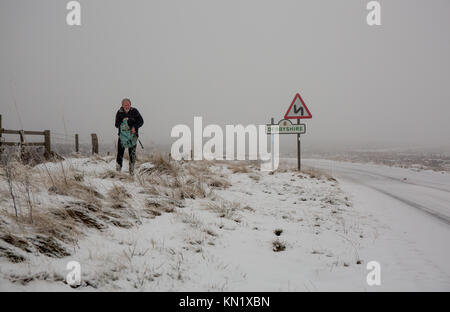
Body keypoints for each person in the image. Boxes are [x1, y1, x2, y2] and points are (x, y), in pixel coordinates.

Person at [115, 98, 144, 175]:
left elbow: (141, 121)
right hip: (122, 137)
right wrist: (124, 122)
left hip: (133, 136)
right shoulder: (119, 112)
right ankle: (118, 171)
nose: (126, 106)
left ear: (130, 105)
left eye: (128, 105)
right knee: (120, 154)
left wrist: (134, 126)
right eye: (125, 105)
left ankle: (131, 172)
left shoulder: (134, 111)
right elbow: (116, 124)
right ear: (122, 105)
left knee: (132, 154)